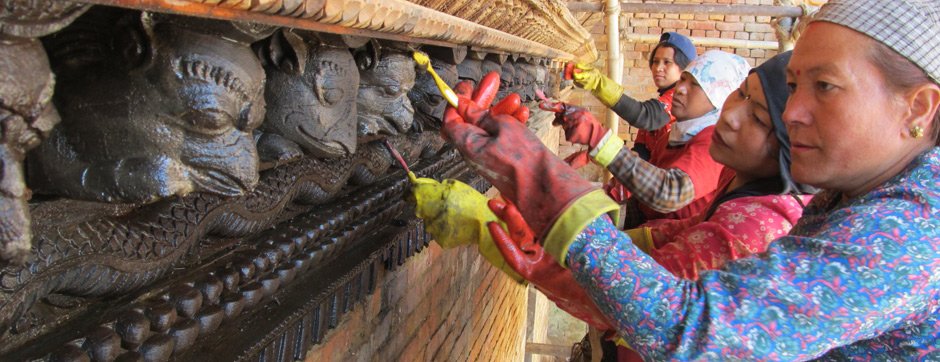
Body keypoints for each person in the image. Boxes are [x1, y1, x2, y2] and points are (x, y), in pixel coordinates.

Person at [443, 0, 940, 359]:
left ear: (917, 107)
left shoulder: (906, 235)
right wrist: (547, 240)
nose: (794, 112)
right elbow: (657, 245)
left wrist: (543, 181)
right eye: (791, 88)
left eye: (826, 87)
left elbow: (690, 328)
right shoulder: (838, 196)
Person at [547, 50, 750, 225]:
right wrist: (595, 201)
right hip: (650, 229)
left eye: (695, 85)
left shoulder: (711, 144)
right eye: (683, 80)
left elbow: (669, 193)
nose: (680, 89)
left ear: (718, 96)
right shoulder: (675, 134)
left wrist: (597, 138)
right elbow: (642, 174)